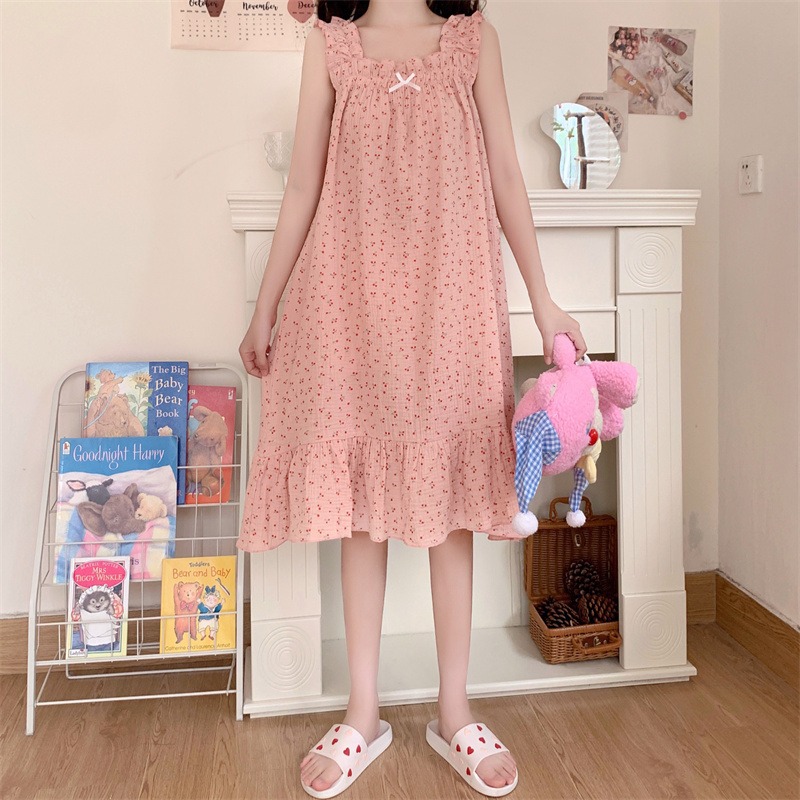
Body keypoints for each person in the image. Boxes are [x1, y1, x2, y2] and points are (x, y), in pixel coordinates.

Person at [237, 1, 586, 796]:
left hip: (451, 303)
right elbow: (303, 184)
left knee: (450, 513)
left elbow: (505, 173)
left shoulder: (473, 41)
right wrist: (265, 308)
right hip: (347, 298)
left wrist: (543, 300)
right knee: (362, 509)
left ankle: (454, 710)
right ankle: (363, 713)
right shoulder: (330, 46)